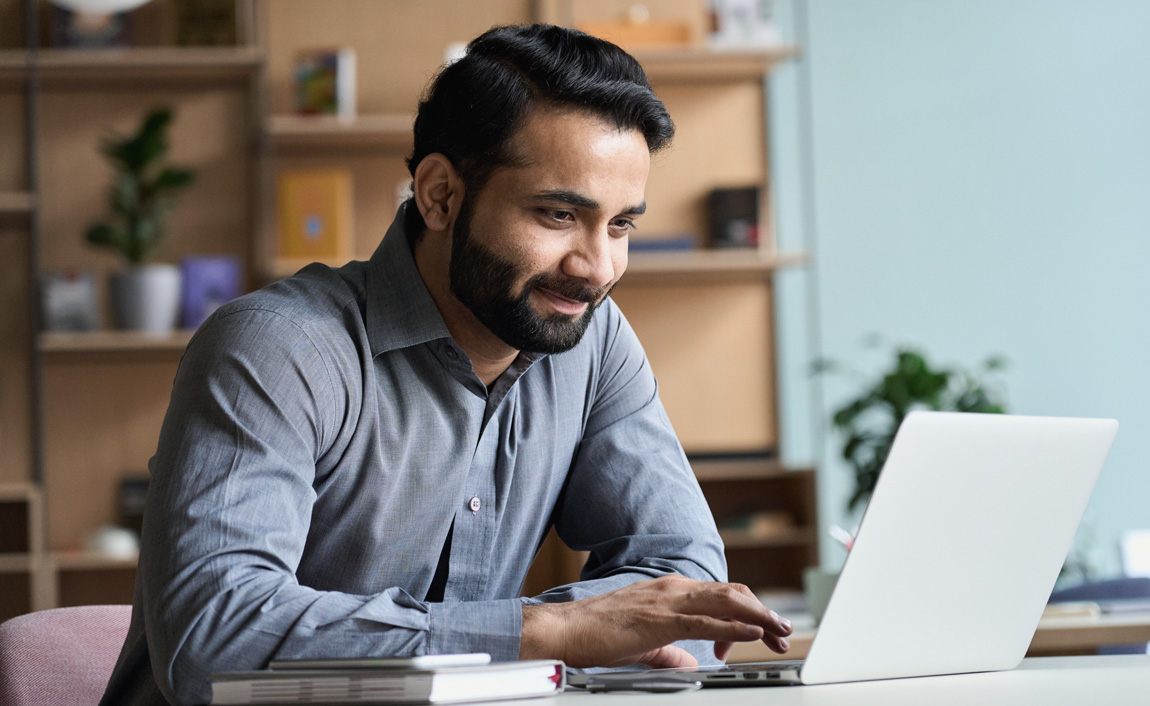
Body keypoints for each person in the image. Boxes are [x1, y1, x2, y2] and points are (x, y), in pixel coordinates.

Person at [100, 24, 792, 706]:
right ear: (439, 195)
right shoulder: (276, 348)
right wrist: (549, 631)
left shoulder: (594, 339)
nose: (597, 267)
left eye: (620, 225)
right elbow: (213, 640)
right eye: (557, 215)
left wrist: (585, 633)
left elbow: (684, 573)